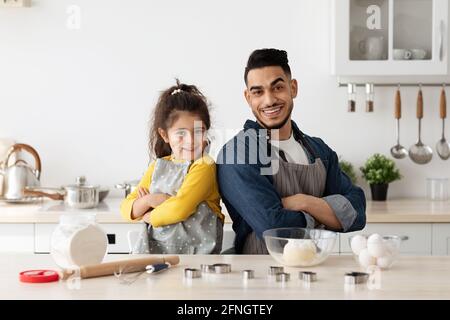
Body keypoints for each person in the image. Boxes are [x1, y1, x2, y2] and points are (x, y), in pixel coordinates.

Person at [217, 49, 366, 254]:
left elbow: (357, 212)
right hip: (261, 277)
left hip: (315, 271)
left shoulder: (318, 149)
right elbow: (273, 227)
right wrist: (327, 216)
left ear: (293, 88)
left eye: (277, 87)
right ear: (248, 97)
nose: (269, 100)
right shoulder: (237, 153)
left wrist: (304, 202)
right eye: (258, 92)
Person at [120, 80, 224, 254]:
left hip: (196, 259)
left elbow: (179, 208)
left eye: (199, 131)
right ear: (165, 135)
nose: (191, 141)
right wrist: (150, 200)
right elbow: (126, 208)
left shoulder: (204, 166)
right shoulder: (157, 166)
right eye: (181, 133)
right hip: (155, 254)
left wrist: (149, 216)